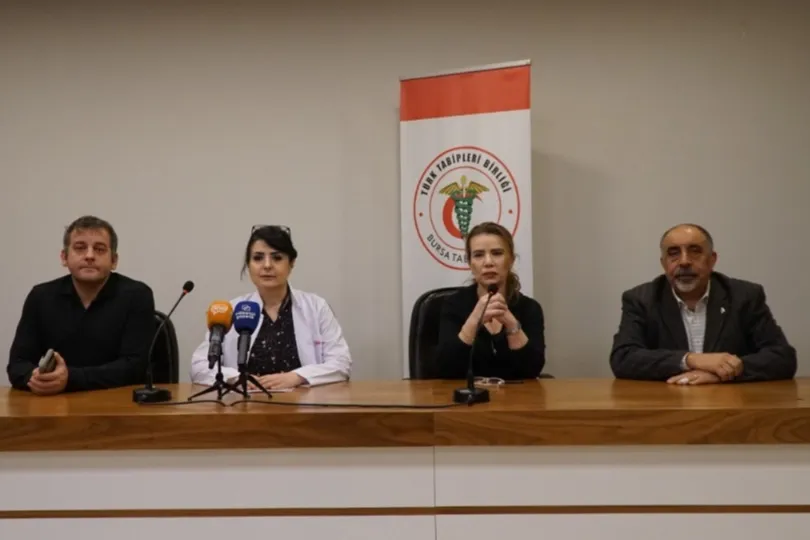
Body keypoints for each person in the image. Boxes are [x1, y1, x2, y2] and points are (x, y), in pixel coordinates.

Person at [610, 223, 796, 385]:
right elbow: (623, 358)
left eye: (695, 251)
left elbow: (782, 357)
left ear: (712, 260)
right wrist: (690, 360)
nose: (684, 261)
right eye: (674, 253)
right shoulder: (641, 299)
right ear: (663, 263)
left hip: (731, 403)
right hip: (667, 402)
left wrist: (722, 373)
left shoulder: (744, 296)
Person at [7, 216, 156, 394]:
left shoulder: (137, 296)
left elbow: (135, 368)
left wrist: (69, 379)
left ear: (114, 260)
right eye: (80, 248)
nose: (89, 256)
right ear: (64, 257)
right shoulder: (41, 297)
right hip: (53, 402)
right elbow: (17, 365)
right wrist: (35, 378)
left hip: (117, 402)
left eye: (99, 249)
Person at [190, 225, 351, 389]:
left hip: (303, 401)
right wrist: (236, 378)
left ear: (292, 263)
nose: (267, 265)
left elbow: (341, 363)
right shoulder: (231, 309)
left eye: (277, 258)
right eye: (258, 258)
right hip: (245, 402)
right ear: (248, 264)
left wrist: (298, 377)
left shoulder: (316, 307)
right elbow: (199, 367)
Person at [435, 222, 545, 380]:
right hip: (468, 394)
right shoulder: (453, 304)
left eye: (497, 253)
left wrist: (511, 324)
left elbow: (531, 371)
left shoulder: (529, 308)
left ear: (511, 260)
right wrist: (474, 319)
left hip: (516, 395)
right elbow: (444, 369)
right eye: (478, 255)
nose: (488, 262)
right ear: (470, 263)